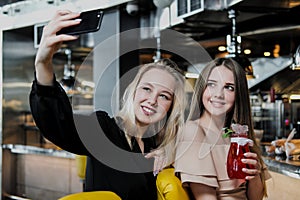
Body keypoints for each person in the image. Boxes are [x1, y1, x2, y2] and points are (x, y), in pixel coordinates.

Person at [29, 10, 186, 200]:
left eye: (164, 96)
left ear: (171, 107)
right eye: (146, 89)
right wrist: (43, 63)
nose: (152, 100)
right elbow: (56, 123)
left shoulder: (156, 143)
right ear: (133, 91)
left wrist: (169, 153)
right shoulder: (105, 130)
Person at [174, 57, 270, 200]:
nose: (218, 94)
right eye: (211, 84)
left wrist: (254, 175)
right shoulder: (193, 131)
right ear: (202, 88)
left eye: (229, 87)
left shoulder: (236, 135)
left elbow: (255, 198)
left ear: (239, 95)